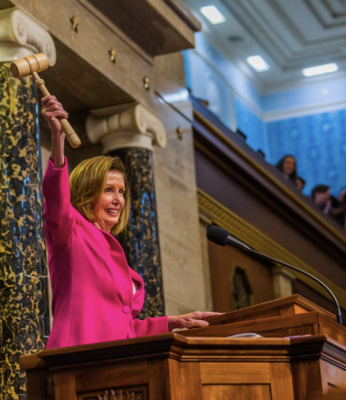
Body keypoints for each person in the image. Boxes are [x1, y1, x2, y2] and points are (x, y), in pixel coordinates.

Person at [41, 95, 221, 349]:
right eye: (108, 190)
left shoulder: (114, 250)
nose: (117, 199)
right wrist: (58, 139)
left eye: (121, 192)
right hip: (76, 358)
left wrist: (171, 322)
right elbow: (55, 197)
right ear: (86, 192)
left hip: (115, 360)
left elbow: (122, 328)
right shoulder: (70, 231)